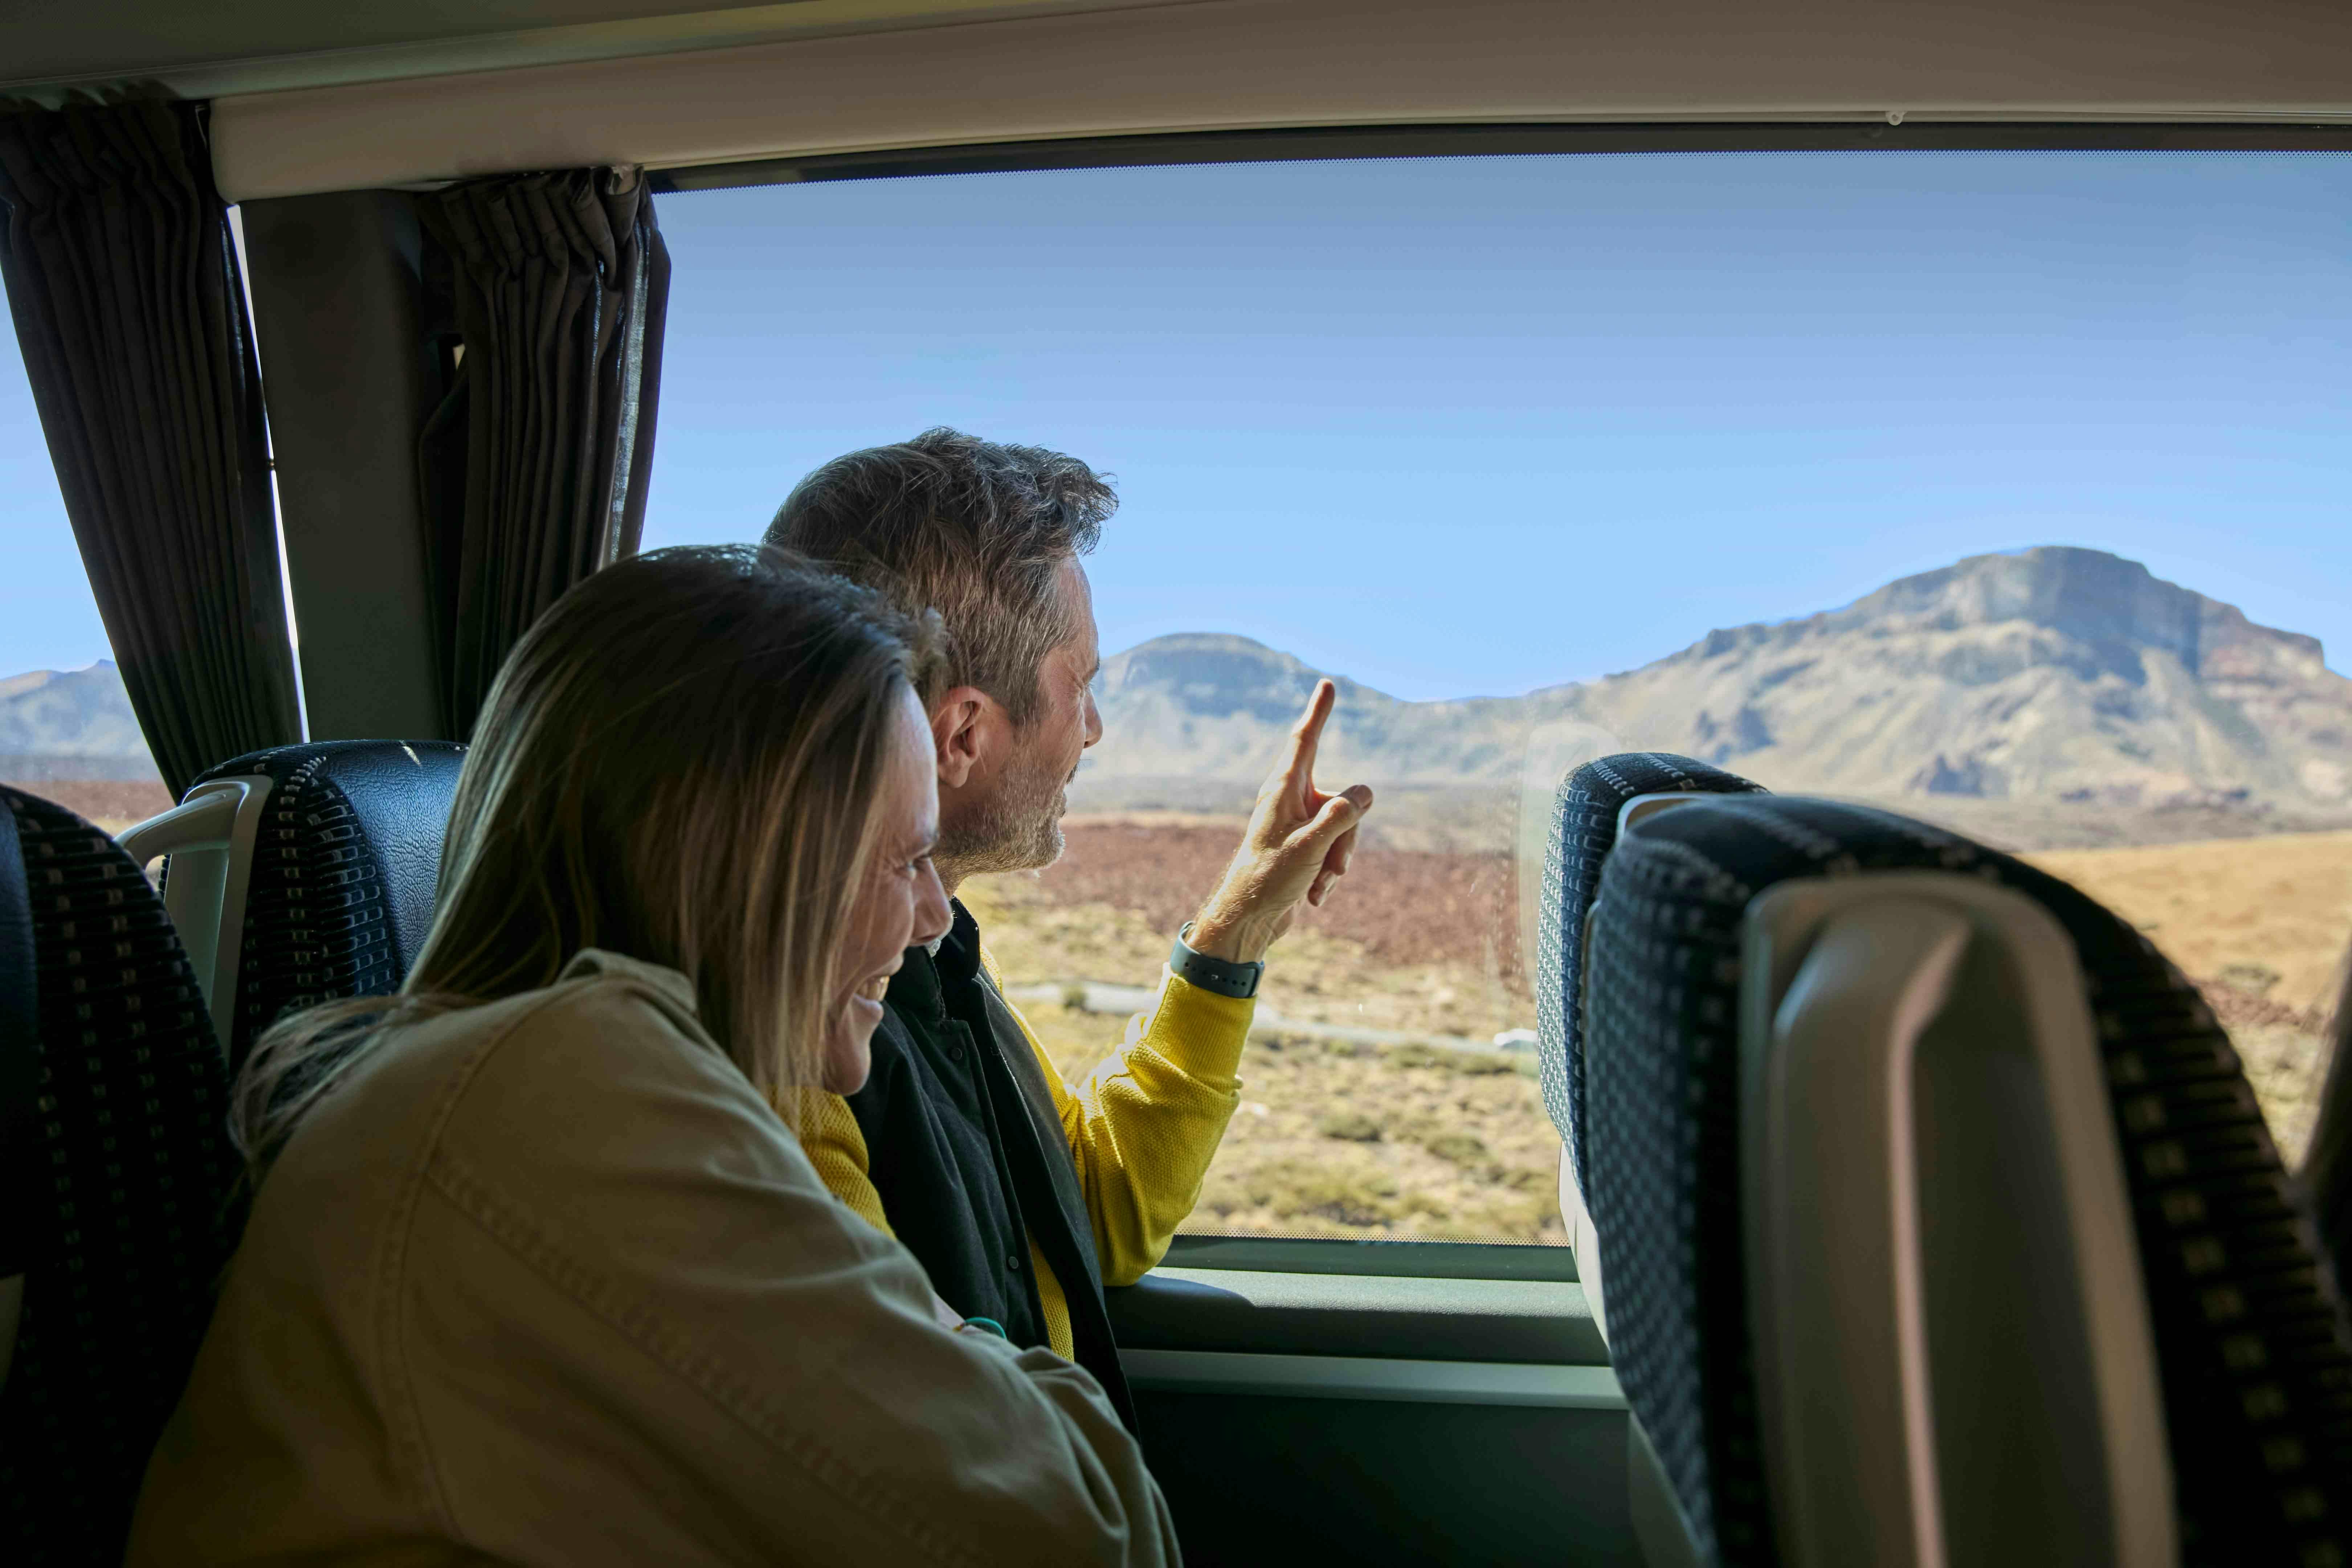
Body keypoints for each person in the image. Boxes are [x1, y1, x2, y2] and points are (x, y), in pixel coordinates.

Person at [127, 546, 1177, 1566]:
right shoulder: (576, 1103)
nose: (932, 916)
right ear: (752, 870)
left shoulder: (537, 1081)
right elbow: (1088, 1528)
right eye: (904, 859)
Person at [766, 429, 1374, 1420]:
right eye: (1077, 684)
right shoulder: (797, 1056)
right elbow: (931, 1445)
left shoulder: (938, 949)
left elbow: (1081, 1216)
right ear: (964, 734)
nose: (1092, 729)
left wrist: (1231, 939)